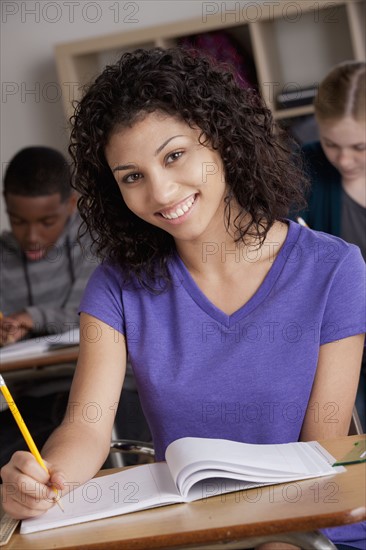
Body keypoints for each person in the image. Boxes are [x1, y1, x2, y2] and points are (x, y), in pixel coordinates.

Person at [1, 49, 365, 550]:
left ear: (221, 141)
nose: (162, 191)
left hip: (307, 527)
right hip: (189, 533)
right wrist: (44, 479)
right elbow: (86, 428)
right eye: (132, 176)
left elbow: (320, 455)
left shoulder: (333, 269)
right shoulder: (116, 285)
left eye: (174, 156)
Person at [0, 146, 98, 466]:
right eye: (17, 221)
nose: (31, 236)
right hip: (30, 397)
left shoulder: (96, 238)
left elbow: (89, 318)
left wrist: (31, 317)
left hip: (101, 391)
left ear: (71, 204)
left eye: (46, 221)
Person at [298, 61, 366, 432]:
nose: (343, 159)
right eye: (331, 144)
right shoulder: (304, 168)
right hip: (337, 349)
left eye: (359, 147)